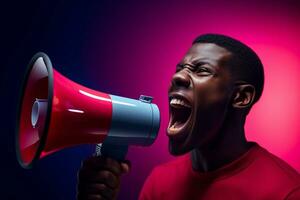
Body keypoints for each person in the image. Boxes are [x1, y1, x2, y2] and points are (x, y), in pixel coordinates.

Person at [77, 34, 300, 200]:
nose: (178, 76)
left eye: (201, 70)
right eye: (180, 68)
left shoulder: (286, 191)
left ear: (241, 97)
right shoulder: (160, 182)